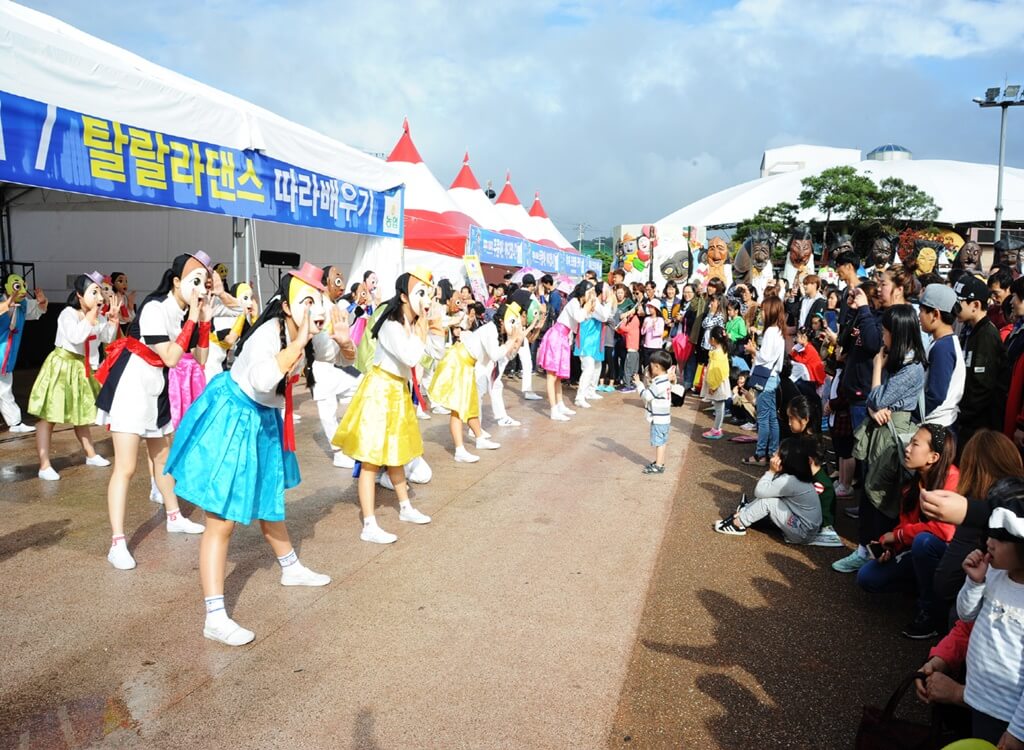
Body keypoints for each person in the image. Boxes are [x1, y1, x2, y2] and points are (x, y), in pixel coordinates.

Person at [165, 265, 333, 646]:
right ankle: (214, 615)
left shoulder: (304, 334)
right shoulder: (269, 336)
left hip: (264, 418)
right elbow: (260, 380)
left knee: (268, 499)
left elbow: (330, 354)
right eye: (307, 301)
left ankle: (290, 567)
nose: (316, 307)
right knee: (221, 520)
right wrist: (300, 341)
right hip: (235, 415)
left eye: (320, 300)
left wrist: (335, 337)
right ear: (287, 307)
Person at [95, 252, 211, 569]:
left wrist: (204, 319)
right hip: (131, 386)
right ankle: (117, 543)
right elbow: (172, 357)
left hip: (156, 387)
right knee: (127, 467)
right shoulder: (155, 309)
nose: (201, 289)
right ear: (176, 282)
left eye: (205, 283)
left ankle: (174, 516)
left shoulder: (184, 311)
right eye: (195, 282)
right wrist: (192, 320)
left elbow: (200, 358)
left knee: (162, 459)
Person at [332, 269, 440, 544]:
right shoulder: (392, 324)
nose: (426, 299)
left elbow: (431, 353)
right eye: (420, 293)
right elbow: (411, 356)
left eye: (428, 293)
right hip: (380, 391)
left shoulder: (410, 324)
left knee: (397, 453)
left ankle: (405, 508)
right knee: (370, 460)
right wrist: (424, 328)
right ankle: (369, 523)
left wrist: (429, 327)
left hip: (396, 392)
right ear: (404, 296)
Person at [834, 304, 927, 574]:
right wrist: (875, 407)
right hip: (882, 432)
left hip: (891, 438)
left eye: (885, 331)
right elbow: (876, 403)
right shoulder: (900, 359)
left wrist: (877, 367)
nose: (882, 336)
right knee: (869, 491)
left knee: (878, 496)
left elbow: (876, 396)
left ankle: (873, 555)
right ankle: (866, 551)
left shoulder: (912, 367)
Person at [855, 424, 959, 639]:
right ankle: (922, 586)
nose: (907, 448)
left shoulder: (953, 479)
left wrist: (900, 536)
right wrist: (892, 545)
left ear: (933, 456)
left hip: (950, 559)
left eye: (915, 443)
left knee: (924, 542)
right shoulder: (913, 483)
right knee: (867, 577)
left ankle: (931, 613)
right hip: (917, 552)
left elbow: (945, 531)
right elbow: (905, 524)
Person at [28, 272, 118, 480]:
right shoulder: (68, 313)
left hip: (81, 367)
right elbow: (76, 337)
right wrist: (91, 317)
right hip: (62, 364)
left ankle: (90, 454)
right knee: (48, 417)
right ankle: (44, 465)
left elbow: (106, 338)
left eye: (99, 292)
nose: (99, 296)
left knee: (81, 415)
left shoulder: (98, 315)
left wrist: (112, 321)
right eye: (93, 292)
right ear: (79, 295)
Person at [956, 478, 1024, 746]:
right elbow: (965, 615)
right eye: (989, 534)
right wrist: (974, 582)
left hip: (1009, 714)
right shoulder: (994, 573)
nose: (989, 542)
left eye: (1000, 537)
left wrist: (1019, 731)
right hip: (979, 696)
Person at [430, 302, 521, 463]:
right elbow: (494, 355)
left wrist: (513, 341)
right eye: (512, 321)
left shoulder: (495, 331)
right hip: (458, 362)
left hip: (466, 364)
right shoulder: (491, 330)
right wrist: (511, 341)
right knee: (457, 408)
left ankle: (479, 438)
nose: (515, 326)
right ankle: (459, 450)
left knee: (470, 403)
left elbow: (498, 357)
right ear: (502, 320)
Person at [714, 437, 822, 543]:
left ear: (787, 460)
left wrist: (771, 471)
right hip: (806, 528)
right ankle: (742, 513)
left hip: (803, 533)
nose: (774, 454)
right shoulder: (798, 475)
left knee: (769, 502)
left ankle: (738, 524)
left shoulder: (789, 481)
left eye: (778, 453)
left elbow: (760, 491)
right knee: (770, 496)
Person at [955, 273, 1008, 453]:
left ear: (975, 305)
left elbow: (982, 386)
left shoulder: (987, 335)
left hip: (978, 425)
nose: (954, 309)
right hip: (967, 421)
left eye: (959, 303)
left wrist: (962, 414)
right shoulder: (969, 331)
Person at [536, 280, 594, 421]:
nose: (592, 295)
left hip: (562, 338)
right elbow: (580, 318)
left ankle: (560, 404)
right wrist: (587, 307)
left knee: (558, 376)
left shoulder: (578, 304)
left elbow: (583, 318)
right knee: (552, 376)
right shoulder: (574, 302)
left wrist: (589, 308)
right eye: (590, 292)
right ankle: (553, 409)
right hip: (556, 337)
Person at [0, 272, 48, 433]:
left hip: (7, 354)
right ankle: (14, 422)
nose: (21, 290)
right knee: (4, 388)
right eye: (16, 286)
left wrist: (41, 303)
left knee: (4, 387)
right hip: (2, 351)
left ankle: (14, 422)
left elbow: (37, 310)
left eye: (22, 285)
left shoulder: (23, 305)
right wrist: (7, 304)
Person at [743, 296, 787, 466]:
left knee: (763, 418)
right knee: (771, 419)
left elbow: (765, 357)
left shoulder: (770, 331)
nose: (762, 313)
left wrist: (754, 350)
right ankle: (772, 452)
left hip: (766, 377)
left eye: (764, 309)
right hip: (774, 376)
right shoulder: (779, 330)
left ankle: (761, 454)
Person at [918, 284, 965, 428]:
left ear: (935, 315)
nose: (919, 316)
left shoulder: (943, 348)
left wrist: (910, 414)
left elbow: (936, 395)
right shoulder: (941, 342)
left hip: (937, 424)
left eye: (922, 311)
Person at [635, 349, 674, 474]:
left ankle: (658, 465)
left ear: (656, 367)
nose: (649, 369)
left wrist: (639, 384)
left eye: (651, 366)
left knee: (659, 442)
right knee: (662, 442)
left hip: (659, 418)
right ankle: (660, 462)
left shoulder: (658, 383)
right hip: (664, 418)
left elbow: (647, 396)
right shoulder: (664, 380)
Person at [701, 326, 731, 440]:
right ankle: (717, 428)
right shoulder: (722, 350)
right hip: (720, 383)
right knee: (719, 407)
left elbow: (717, 372)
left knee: (719, 408)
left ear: (713, 339)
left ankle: (716, 429)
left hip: (718, 384)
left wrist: (713, 386)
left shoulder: (717, 353)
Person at [616, 292, 641, 394]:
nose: (629, 312)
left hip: (632, 351)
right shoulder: (634, 320)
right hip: (634, 350)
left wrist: (623, 321)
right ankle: (632, 384)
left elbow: (625, 329)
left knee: (628, 368)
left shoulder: (634, 320)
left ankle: (628, 385)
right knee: (633, 368)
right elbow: (623, 330)